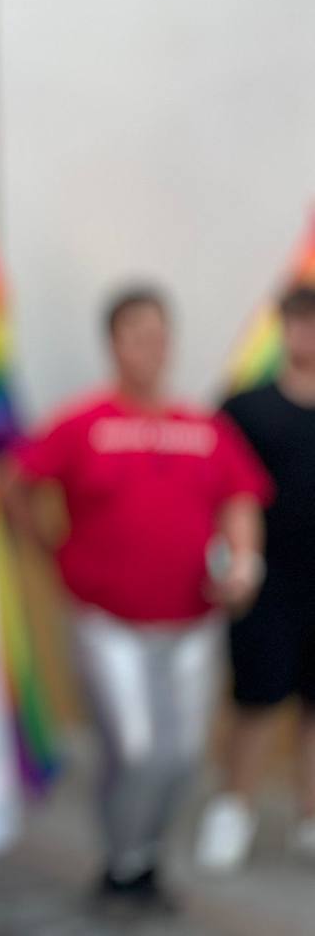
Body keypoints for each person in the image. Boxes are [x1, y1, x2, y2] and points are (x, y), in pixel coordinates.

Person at [5, 286, 271, 910]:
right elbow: (18, 479)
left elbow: (241, 499)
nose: (151, 348)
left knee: (181, 757)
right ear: (115, 344)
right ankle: (122, 863)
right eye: (136, 335)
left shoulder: (202, 428)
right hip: (109, 620)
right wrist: (47, 547)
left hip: (192, 622)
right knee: (136, 747)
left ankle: (143, 859)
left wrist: (244, 563)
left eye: (159, 334)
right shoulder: (84, 423)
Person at [197, 283, 315, 871]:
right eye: (298, 322)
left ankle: (310, 816)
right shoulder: (245, 407)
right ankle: (233, 810)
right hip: (267, 584)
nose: (307, 334)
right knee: (256, 701)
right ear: (282, 328)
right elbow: (212, 494)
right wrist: (229, 567)